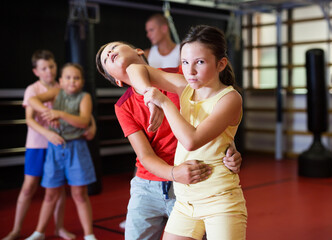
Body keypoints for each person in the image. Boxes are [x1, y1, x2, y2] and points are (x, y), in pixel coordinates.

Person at [96, 40, 242, 240]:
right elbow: (145, 156)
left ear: (139, 51)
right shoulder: (124, 106)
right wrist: (173, 173)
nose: (110, 53)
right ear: (117, 81)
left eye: (113, 48)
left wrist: (228, 146)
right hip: (148, 185)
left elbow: (214, 110)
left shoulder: (180, 75)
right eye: (106, 59)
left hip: (195, 178)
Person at [2, 50, 82, 240]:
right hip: (37, 144)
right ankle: (16, 230)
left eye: (52, 66)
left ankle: (58, 227)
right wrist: (47, 132)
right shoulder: (33, 89)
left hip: (59, 145)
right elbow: (29, 119)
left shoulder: (63, 86)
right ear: (36, 71)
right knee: (29, 187)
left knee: (58, 188)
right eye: (44, 68)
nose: (49, 71)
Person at [25, 63, 97, 240]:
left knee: (79, 194)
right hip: (55, 148)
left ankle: (89, 234)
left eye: (76, 78)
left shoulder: (84, 97)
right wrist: (48, 112)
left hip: (77, 147)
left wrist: (59, 114)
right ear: (61, 81)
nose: (72, 81)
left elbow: (84, 121)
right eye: (68, 77)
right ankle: (39, 232)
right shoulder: (57, 93)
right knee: (50, 193)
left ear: (82, 82)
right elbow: (33, 100)